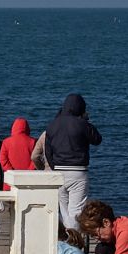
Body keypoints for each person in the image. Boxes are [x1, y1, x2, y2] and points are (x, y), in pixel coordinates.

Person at [44, 94, 102, 227]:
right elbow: (97, 139)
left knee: (64, 211)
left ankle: (67, 241)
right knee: (76, 211)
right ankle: (74, 243)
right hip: (78, 172)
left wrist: (55, 167)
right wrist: (86, 121)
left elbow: (48, 152)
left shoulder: (52, 125)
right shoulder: (82, 124)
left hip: (59, 171)